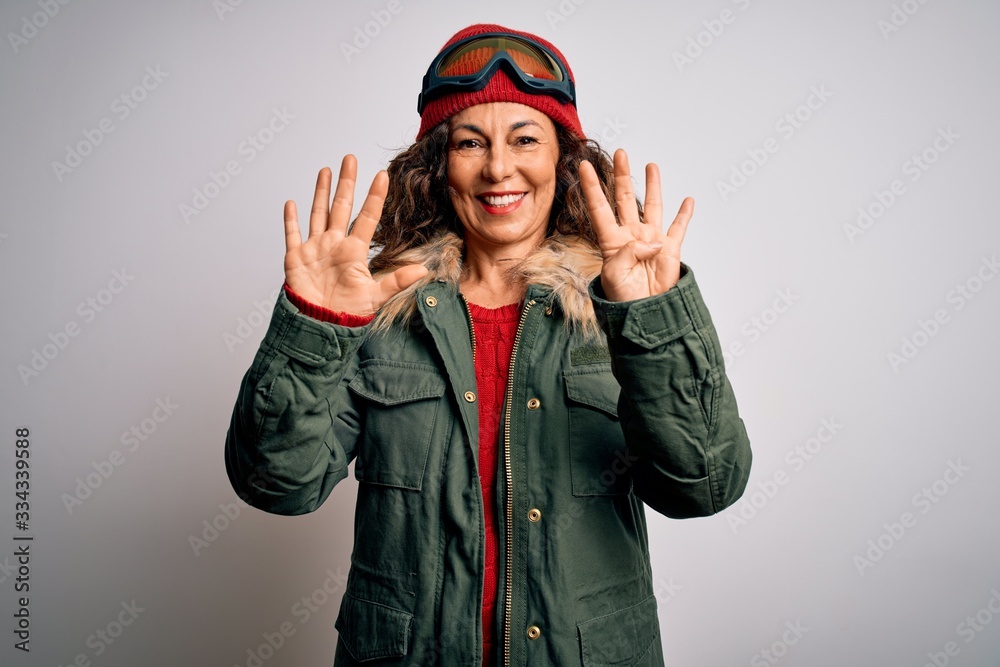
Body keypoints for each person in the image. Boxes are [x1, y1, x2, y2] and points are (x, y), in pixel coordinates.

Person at [225, 23, 752, 666]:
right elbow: (274, 483)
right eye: (471, 141)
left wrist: (654, 319)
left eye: (524, 139)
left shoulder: (619, 311)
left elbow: (705, 484)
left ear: (561, 160)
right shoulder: (380, 310)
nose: (499, 167)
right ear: (438, 165)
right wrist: (315, 327)